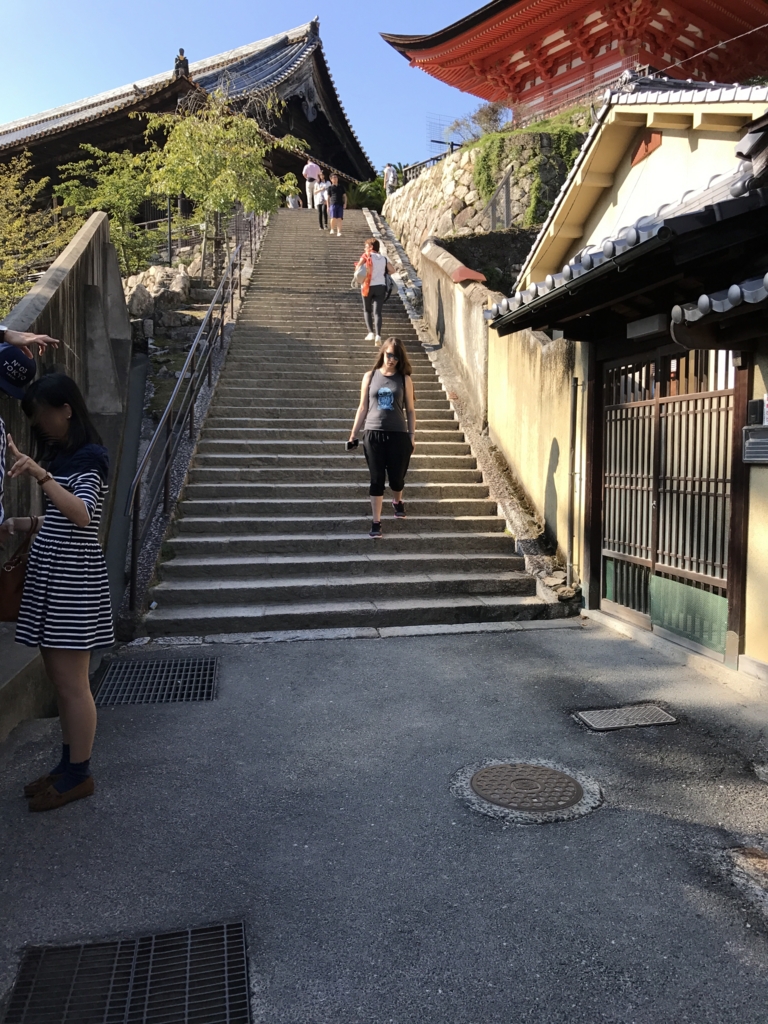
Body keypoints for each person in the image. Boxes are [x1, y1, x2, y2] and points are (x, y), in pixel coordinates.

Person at [8, 374, 114, 812]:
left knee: (72, 684)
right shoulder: (65, 455)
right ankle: (66, 765)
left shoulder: (88, 456)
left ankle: (79, 773)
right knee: (59, 679)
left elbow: (83, 515)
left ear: (66, 409)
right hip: (56, 574)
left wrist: (41, 474)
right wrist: (25, 524)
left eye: (44, 414)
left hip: (72, 579)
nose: (40, 423)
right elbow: (58, 518)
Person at [348, 337, 416, 539]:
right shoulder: (369, 377)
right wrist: (353, 434)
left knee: (396, 478)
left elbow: (411, 410)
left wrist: (412, 435)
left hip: (398, 435)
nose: (392, 359)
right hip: (373, 434)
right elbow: (362, 407)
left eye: (396, 356)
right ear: (383, 353)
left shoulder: (405, 379)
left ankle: (397, 501)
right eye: (389, 355)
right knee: (377, 479)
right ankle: (376, 522)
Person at [355, 238, 394, 344]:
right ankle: (378, 336)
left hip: (368, 286)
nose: (365, 248)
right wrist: (382, 273)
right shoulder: (383, 258)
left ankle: (370, 333)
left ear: (371, 247)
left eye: (366, 246)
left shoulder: (366, 256)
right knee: (378, 313)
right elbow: (392, 270)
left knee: (367, 310)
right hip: (380, 286)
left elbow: (358, 268)